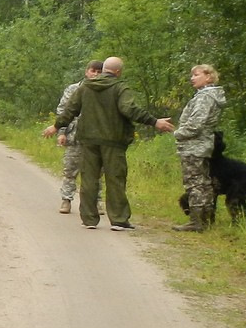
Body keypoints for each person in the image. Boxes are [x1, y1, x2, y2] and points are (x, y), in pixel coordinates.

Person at [54, 55, 174, 230]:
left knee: (89, 178)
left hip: (88, 140)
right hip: (113, 140)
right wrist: (155, 122)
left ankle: (89, 219)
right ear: (118, 71)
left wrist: (57, 126)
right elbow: (129, 109)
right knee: (115, 179)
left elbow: (70, 109)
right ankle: (118, 219)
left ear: (103, 70)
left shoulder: (85, 87)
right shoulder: (120, 88)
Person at [42, 60, 102, 213]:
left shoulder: (104, 90)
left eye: (99, 71)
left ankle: (96, 201)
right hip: (74, 135)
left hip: (96, 136)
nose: (95, 74)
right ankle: (66, 199)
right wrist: (61, 132)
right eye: (93, 71)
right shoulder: (74, 89)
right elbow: (64, 111)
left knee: (96, 171)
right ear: (86, 71)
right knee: (70, 169)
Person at [171, 63, 226, 232]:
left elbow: (196, 124)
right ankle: (206, 220)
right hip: (203, 145)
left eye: (196, 75)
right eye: (192, 75)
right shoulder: (209, 95)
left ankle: (197, 222)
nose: (192, 78)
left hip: (195, 146)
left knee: (195, 184)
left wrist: (178, 133)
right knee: (203, 183)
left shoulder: (205, 97)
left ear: (208, 76)